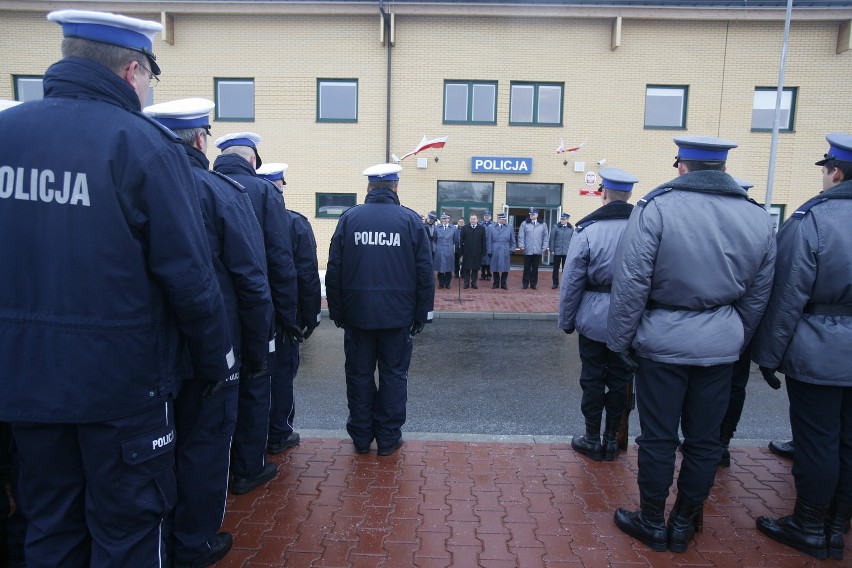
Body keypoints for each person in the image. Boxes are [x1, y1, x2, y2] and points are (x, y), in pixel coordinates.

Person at [0, 10, 236, 566]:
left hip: (26, 382)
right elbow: (189, 277)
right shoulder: (142, 144)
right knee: (129, 528)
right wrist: (217, 362)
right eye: (151, 73)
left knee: (50, 524)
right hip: (121, 386)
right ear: (133, 70)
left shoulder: (7, 136)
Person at [607, 136, 776, 554]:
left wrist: (621, 340)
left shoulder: (657, 207)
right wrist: (737, 335)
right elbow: (759, 292)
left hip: (662, 341)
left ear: (682, 167)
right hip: (720, 342)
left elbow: (631, 283)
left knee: (659, 437)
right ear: (722, 170)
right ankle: (682, 522)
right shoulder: (757, 217)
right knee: (704, 441)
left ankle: (651, 519)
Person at [143, 98, 275, 567]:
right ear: (201, 138)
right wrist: (259, 351)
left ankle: (157, 543)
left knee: (150, 452)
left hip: (147, 352)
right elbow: (251, 281)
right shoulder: (221, 192)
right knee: (204, 446)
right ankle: (193, 543)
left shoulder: (135, 184)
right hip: (213, 349)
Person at [751, 133, 852, 561]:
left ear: (837, 172)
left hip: (821, 350)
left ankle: (810, 526)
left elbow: (786, 294)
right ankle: (836, 526)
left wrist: (769, 357)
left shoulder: (813, 218)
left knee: (817, 441)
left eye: (825, 170)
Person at [326, 163, 435, 456]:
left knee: (359, 375)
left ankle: (361, 437)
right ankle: (388, 438)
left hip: (357, 315)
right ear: (395, 188)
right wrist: (423, 313)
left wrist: (337, 311)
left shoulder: (350, 218)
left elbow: (334, 268)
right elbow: (424, 270)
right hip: (398, 317)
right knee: (394, 375)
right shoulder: (410, 221)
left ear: (369, 188)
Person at [213, 132, 301, 495]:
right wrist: (288, 316)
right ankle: (249, 465)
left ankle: (223, 464)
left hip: (208, 309)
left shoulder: (200, 183)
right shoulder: (265, 193)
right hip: (254, 308)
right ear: (252, 161)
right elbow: (280, 261)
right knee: (255, 385)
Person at [559, 168, 637, 462]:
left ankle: (591, 437)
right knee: (620, 380)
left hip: (593, 317)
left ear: (603, 193)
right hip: (631, 317)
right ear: (628, 195)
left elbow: (572, 282)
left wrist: (566, 320)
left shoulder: (588, 230)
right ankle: (610, 438)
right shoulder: (646, 228)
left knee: (592, 379)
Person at [256, 162, 322, 455]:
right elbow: (306, 274)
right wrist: (310, 317)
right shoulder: (294, 223)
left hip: (246, 315)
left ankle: (253, 437)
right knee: (281, 374)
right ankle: (278, 433)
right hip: (283, 317)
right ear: (278, 186)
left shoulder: (234, 214)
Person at [518, 208, 549, 289]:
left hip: (537, 249)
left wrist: (544, 246)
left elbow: (545, 236)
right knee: (526, 267)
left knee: (535, 268)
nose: (532, 216)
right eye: (531, 214)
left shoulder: (543, 224)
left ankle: (533, 283)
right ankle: (525, 283)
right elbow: (521, 235)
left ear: (537, 215)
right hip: (527, 249)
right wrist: (521, 245)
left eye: (534, 214)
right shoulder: (524, 224)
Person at [489, 212, 516, 290]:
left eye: (504, 219)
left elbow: (513, 240)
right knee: (495, 266)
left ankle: (504, 283)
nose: (504, 220)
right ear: (498, 219)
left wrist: (512, 249)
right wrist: (489, 250)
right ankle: (496, 283)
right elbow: (489, 240)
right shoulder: (492, 227)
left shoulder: (509, 227)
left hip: (505, 248)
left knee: (506, 267)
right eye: (502, 219)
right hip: (495, 248)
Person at [460, 214, 487, 289]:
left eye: (474, 219)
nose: (473, 220)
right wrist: (461, 252)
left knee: (475, 268)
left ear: (477, 220)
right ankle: (466, 283)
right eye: (471, 219)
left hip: (477, 251)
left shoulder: (481, 228)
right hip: (467, 251)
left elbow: (483, 240)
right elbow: (461, 240)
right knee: (466, 268)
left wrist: (484, 250)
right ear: (469, 220)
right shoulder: (465, 228)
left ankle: (474, 282)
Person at [434, 213, 459, 289]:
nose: (444, 220)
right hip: (440, 249)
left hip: (449, 250)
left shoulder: (453, 228)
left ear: (449, 219)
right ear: (441, 219)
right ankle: (441, 284)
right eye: (443, 218)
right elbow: (435, 238)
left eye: (446, 218)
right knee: (440, 268)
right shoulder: (437, 227)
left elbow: (455, 240)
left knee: (449, 268)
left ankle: (447, 284)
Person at [550, 213, 574, 289]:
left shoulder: (571, 228)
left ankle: (564, 283)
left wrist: (572, 250)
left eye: (564, 219)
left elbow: (573, 240)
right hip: (557, 251)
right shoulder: (556, 227)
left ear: (567, 220)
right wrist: (552, 249)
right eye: (561, 219)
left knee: (566, 269)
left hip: (566, 251)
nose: (562, 221)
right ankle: (555, 283)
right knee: (556, 268)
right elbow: (552, 239)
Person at [480, 211, 495, 281]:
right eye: (485, 216)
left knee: (489, 261)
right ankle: (483, 274)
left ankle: (489, 274)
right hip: (482, 245)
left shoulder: (494, 224)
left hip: (490, 244)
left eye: (488, 216)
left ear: (490, 217)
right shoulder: (480, 224)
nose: (487, 218)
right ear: (484, 217)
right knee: (482, 261)